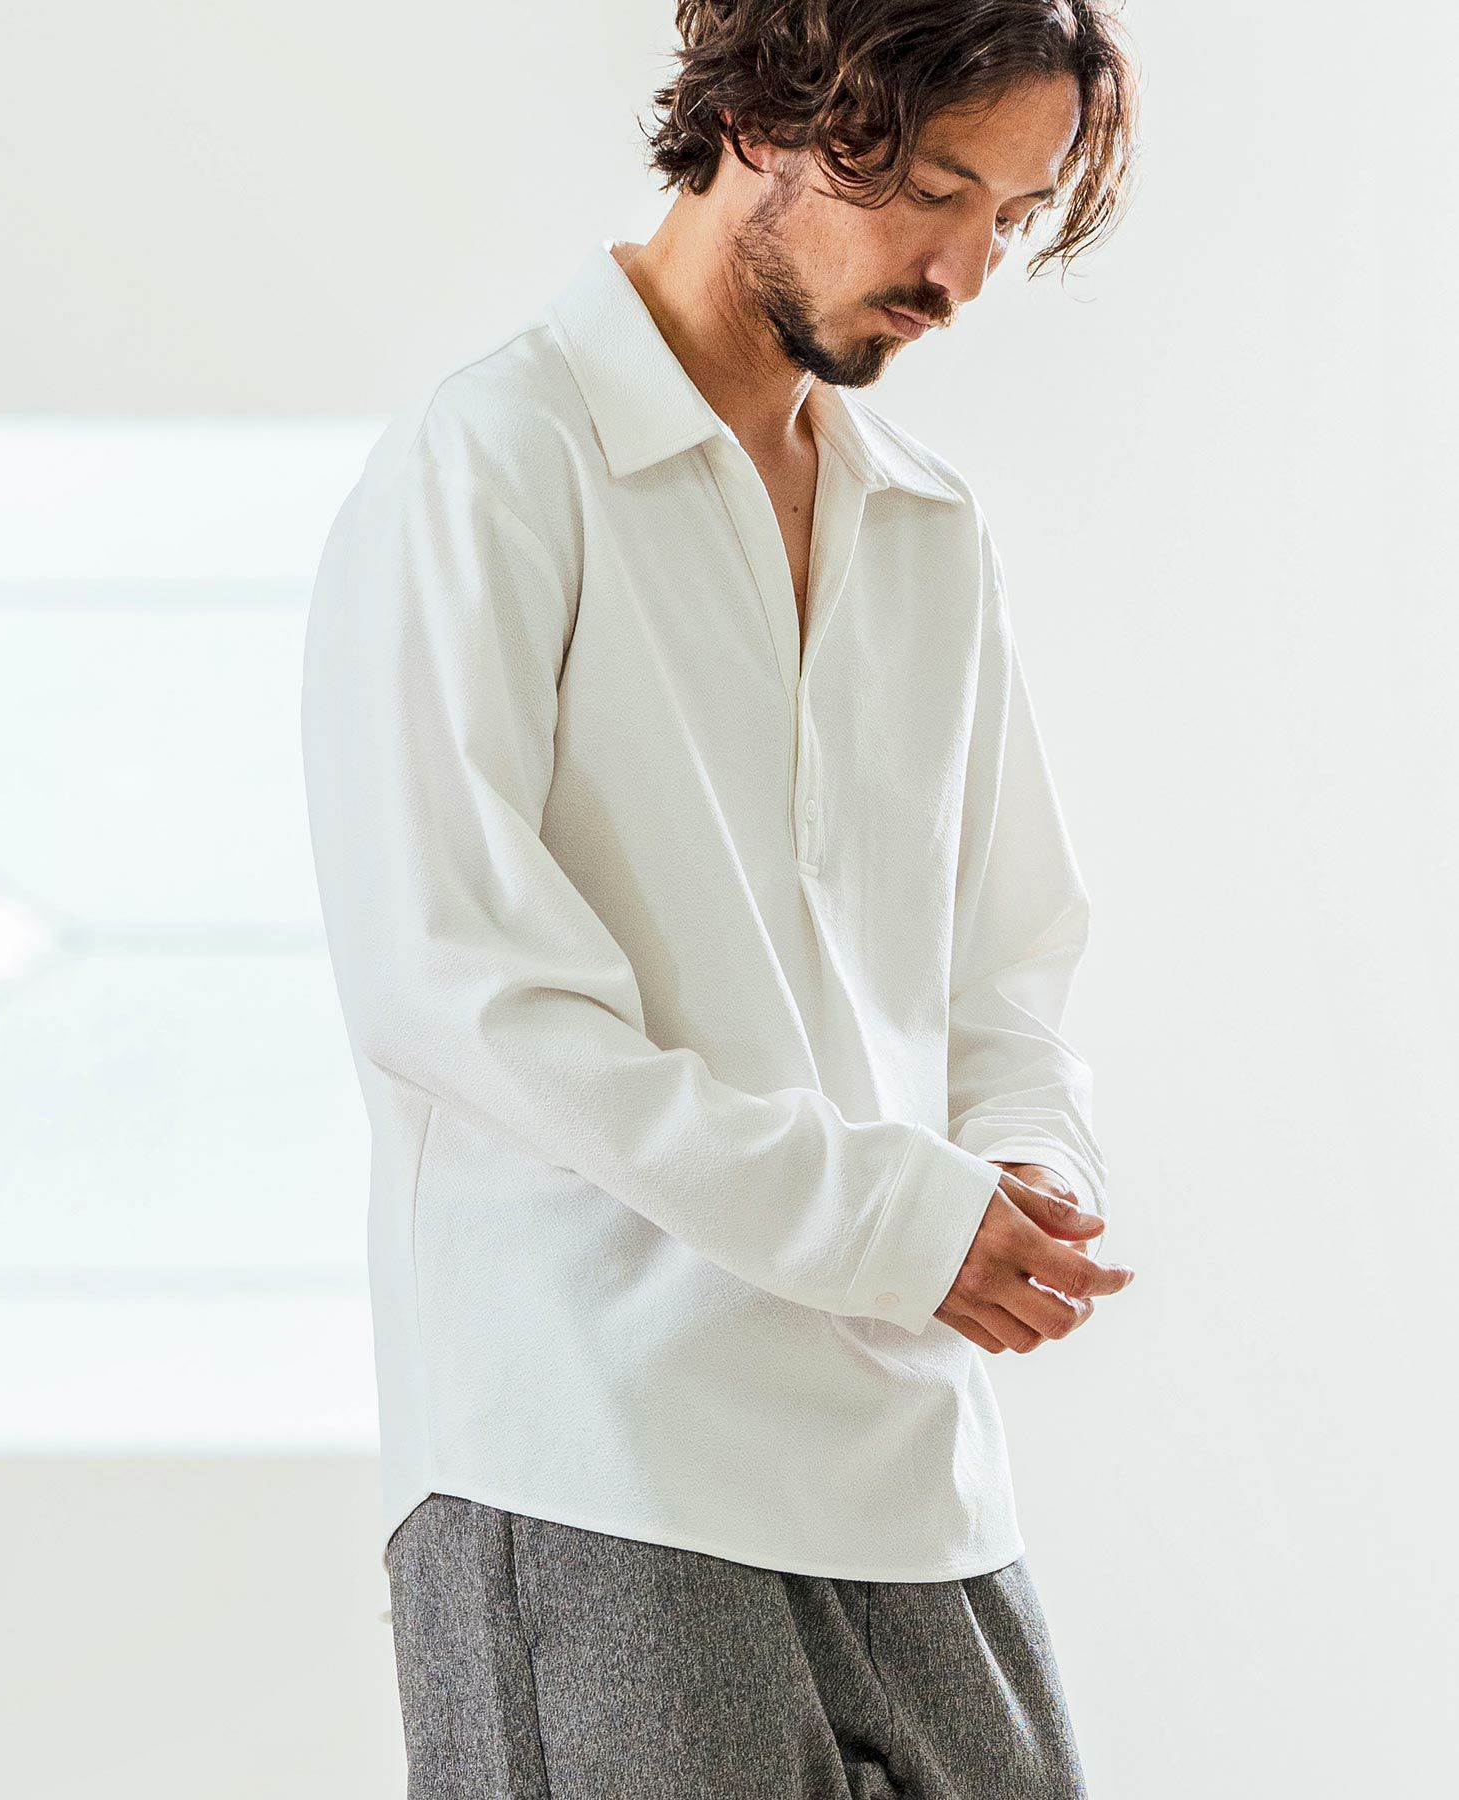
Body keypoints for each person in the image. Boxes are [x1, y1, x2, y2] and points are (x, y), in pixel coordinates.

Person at [299, 2, 1142, 1793]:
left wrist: (1027, 1172)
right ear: (769, 113)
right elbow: (457, 988)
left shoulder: (928, 526)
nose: (960, 275)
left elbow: (1007, 966)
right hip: (592, 1454)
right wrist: (892, 1219)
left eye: (1005, 217)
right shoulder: (497, 459)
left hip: (921, 1473)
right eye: (932, 190)